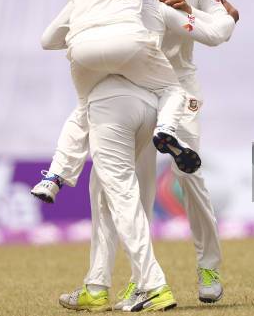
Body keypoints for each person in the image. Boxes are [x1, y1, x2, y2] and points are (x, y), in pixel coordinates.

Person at [32, 0, 238, 305]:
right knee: (118, 188)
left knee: (187, 175)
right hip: (132, 87)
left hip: (175, 85)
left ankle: (206, 265)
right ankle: (123, 280)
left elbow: (218, 27)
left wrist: (189, 11)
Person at [35, 0, 201, 209]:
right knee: (171, 89)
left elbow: (69, 13)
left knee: (83, 109)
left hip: (82, 47)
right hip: (128, 41)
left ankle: (54, 176)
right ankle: (165, 129)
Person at [58, 74, 176, 313]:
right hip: (150, 107)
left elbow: (49, 40)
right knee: (114, 195)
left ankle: (152, 285)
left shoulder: (97, 40)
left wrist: (58, 171)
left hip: (113, 106)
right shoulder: (147, 43)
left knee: (122, 198)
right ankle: (100, 287)